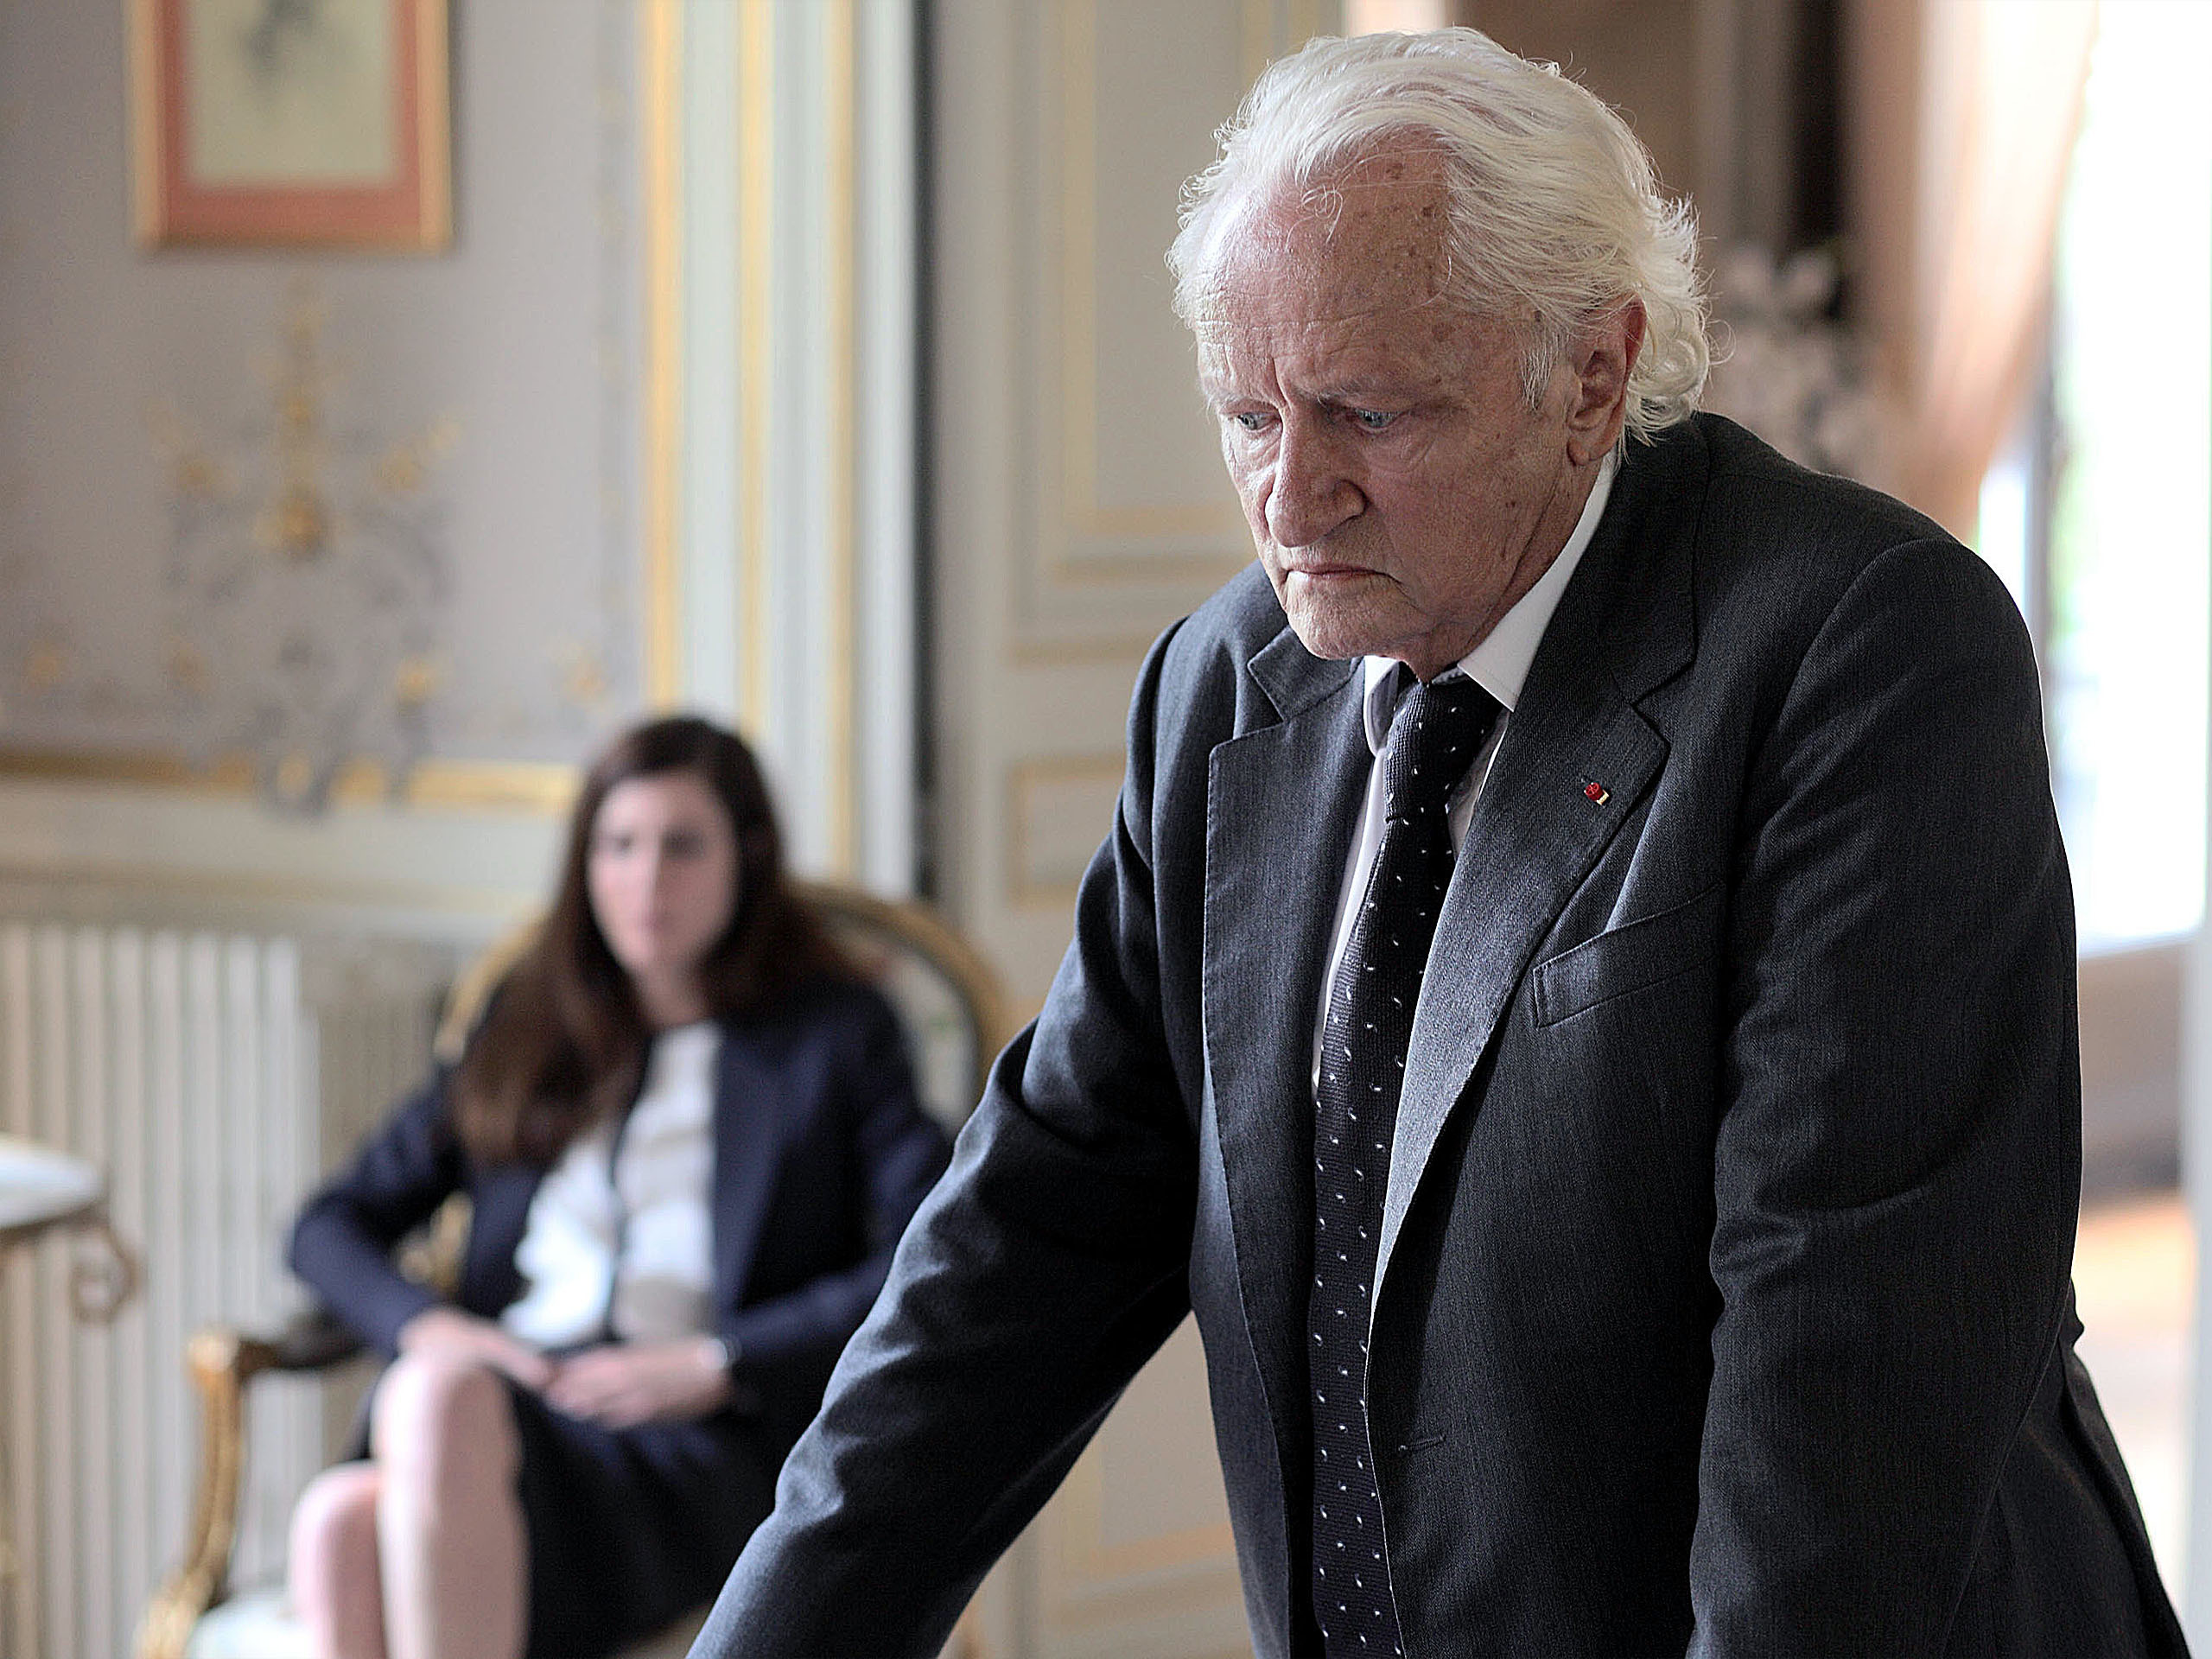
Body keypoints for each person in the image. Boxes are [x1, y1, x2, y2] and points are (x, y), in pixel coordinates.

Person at [693, 28, 2185, 1659]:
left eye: (1367, 414)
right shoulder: (1222, 686)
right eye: (1248, 415)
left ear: (1593, 377)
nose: (1291, 501)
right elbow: (1022, 1243)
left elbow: (1844, 1382)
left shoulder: (1863, 649)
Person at [283, 715, 950, 1659]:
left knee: (401, 1444)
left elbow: (926, 1256)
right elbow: (326, 1226)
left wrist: (719, 1361)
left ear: (749, 855)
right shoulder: (526, 1027)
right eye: (618, 846)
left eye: (682, 847)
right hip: (510, 1415)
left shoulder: (834, 1037)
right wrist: (433, 1329)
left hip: (692, 1447)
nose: (646, 880)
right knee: (343, 1515)